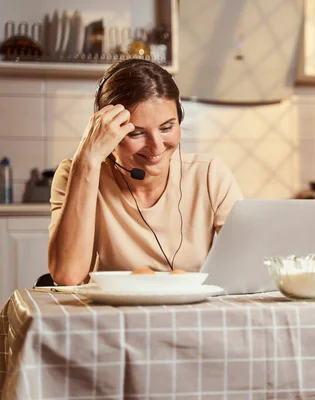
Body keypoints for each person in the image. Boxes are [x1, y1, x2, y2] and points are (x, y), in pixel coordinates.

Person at [48, 59, 244, 286]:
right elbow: (67, 276)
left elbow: (251, 266)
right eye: (137, 133)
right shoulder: (77, 174)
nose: (157, 147)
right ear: (109, 131)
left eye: (167, 127)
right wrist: (88, 160)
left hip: (192, 317)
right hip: (112, 318)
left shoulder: (210, 175)